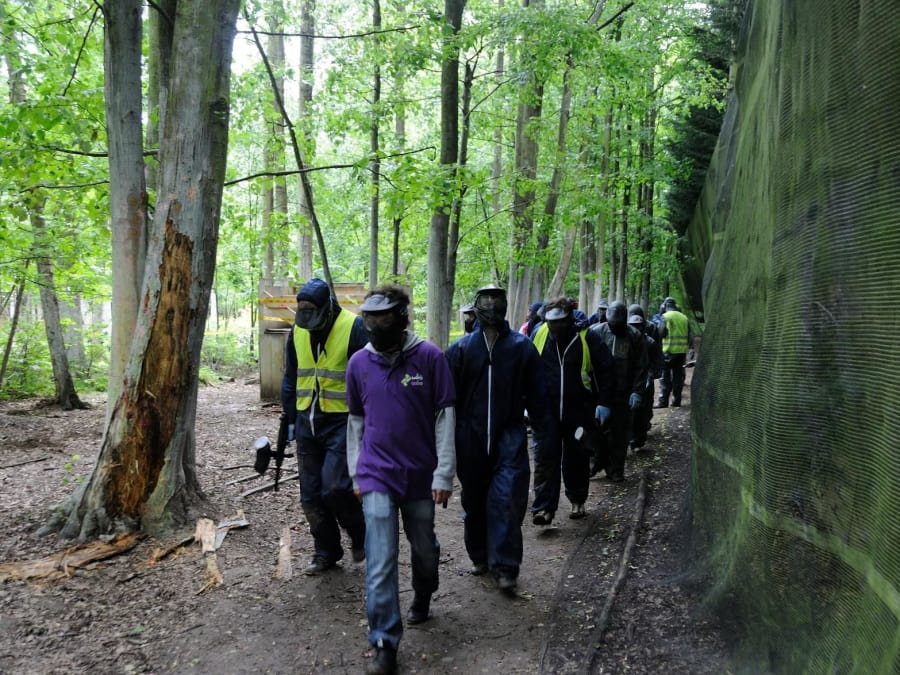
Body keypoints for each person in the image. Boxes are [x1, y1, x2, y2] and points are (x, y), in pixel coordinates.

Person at [346, 284, 456, 675]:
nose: (376, 326)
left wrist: (444, 472)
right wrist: (356, 471)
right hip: (376, 472)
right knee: (380, 558)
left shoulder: (429, 358)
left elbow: (445, 417)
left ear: (402, 317)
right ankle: (384, 642)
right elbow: (355, 421)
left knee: (423, 546)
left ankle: (424, 590)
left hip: (420, 474)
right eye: (370, 319)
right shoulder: (359, 363)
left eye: (384, 319)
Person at [445, 284, 547, 596]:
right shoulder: (460, 350)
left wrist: (545, 431)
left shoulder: (521, 347)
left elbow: (538, 394)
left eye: (496, 300)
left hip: (509, 435)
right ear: (476, 306)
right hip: (470, 437)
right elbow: (448, 400)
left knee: (505, 501)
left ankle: (505, 567)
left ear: (504, 305)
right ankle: (479, 555)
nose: (491, 305)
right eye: (485, 300)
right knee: (474, 501)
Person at [281, 278, 366, 574]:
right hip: (307, 421)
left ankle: (360, 532)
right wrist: (290, 418)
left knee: (335, 487)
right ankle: (326, 551)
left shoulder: (354, 327)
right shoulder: (297, 331)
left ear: (328, 308)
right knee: (311, 496)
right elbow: (291, 376)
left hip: (342, 421)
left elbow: (369, 376)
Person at [529, 297, 614, 524]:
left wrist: (604, 403)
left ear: (569, 320)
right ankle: (544, 509)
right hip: (546, 411)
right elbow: (526, 370)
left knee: (576, 457)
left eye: (559, 322)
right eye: (550, 322)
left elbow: (606, 370)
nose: (554, 327)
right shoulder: (538, 335)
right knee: (545, 458)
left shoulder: (587, 338)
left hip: (579, 410)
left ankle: (578, 501)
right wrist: (525, 404)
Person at [588, 301, 648, 482]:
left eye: (617, 324)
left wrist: (637, 391)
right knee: (596, 432)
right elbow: (588, 364)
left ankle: (616, 469)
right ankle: (595, 464)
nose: (614, 327)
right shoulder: (596, 333)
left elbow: (641, 366)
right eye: (611, 324)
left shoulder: (635, 336)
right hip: (600, 394)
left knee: (620, 434)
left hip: (624, 393)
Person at [626, 305, 661, 451]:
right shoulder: (625, 341)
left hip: (645, 381)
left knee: (644, 409)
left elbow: (657, 362)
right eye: (633, 325)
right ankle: (632, 437)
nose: (636, 328)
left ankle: (639, 439)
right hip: (630, 381)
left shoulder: (650, 342)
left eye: (638, 325)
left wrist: (651, 376)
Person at [656, 297, 692, 408]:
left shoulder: (665, 317)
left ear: (664, 306)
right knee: (678, 378)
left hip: (668, 352)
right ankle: (676, 402)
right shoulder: (684, 318)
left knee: (665, 378)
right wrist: (691, 348)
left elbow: (660, 333)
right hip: (681, 353)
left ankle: (663, 402)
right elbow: (690, 335)